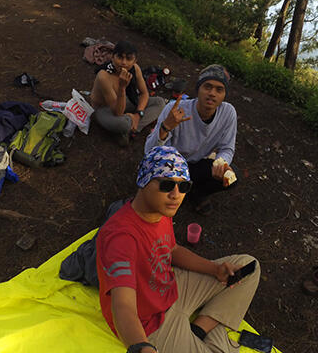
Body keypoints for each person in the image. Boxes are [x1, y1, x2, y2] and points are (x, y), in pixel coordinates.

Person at [96, 146, 260, 353]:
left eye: (184, 187)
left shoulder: (160, 211)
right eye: (167, 185)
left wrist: (213, 269)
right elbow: (123, 306)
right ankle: (212, 336)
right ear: (143, 181)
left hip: (172, 288)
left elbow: (171, 249)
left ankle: (198, 330)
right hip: (150, 323)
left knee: (248, 267)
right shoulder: (121, 237)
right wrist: (142, 348)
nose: (176, 195)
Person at [144, 64, 236, 213]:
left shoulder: (228, 113)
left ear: (224, 94)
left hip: (195, 164)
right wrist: (166, 127)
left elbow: (227, 148)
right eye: (207, 87)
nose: (212, 93)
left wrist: (222, 163)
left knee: (232, 176)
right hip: (171, 166)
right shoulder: (175, 110)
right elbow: (150, 152)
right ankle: (176, 191)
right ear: (198, 89)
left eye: (219, 89)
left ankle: (197, 194)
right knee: (159, 195)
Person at [91, 40, 166, 146]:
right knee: (123, 123)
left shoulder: (135, 69)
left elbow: (144, 94)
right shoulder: (104, 76)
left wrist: (137, 115)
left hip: (124, 101)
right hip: (105, 109)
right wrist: (122, 88)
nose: (124, 62)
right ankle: (126, 128)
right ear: (112, 57)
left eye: (129, 59)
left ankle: (132, 128)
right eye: (120, 57)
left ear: (135, 61)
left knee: (160, 102)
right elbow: (117, 112)